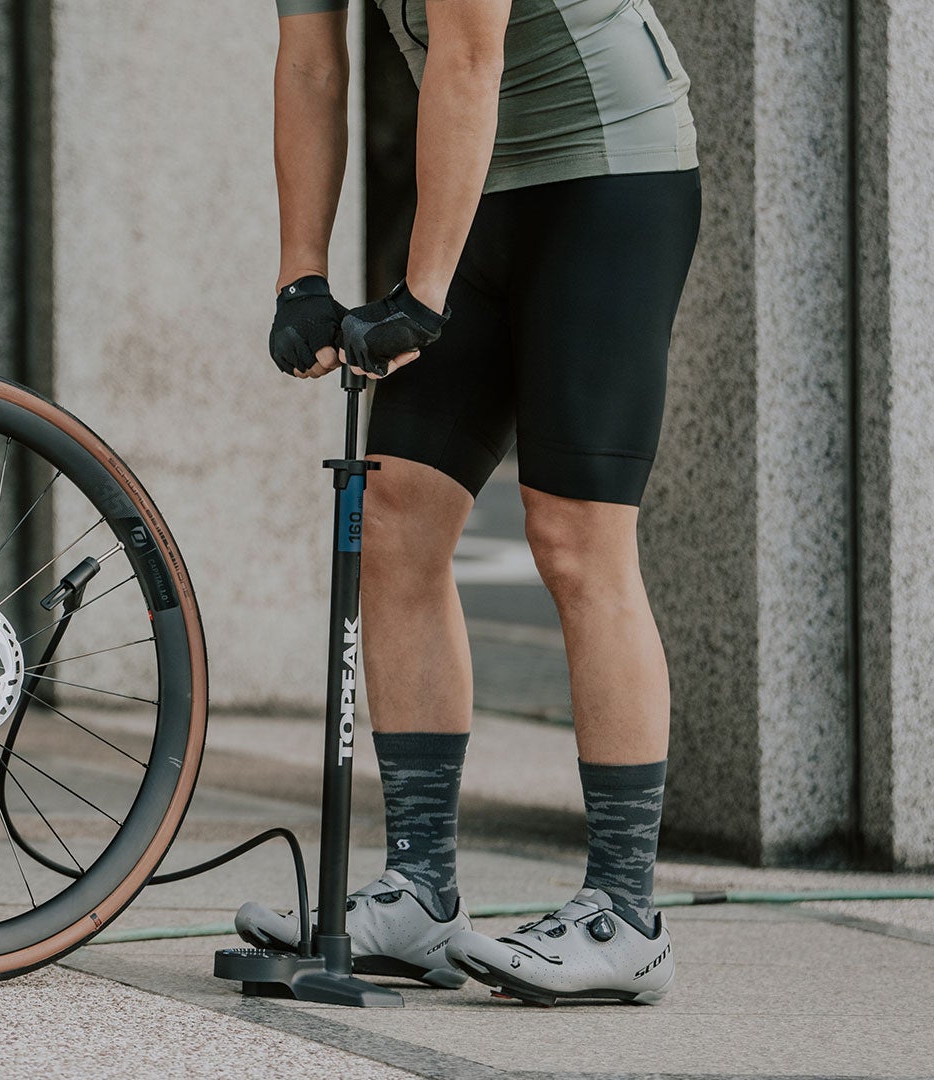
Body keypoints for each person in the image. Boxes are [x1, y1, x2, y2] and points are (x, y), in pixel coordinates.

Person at [237, 0, 701, 1006]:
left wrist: (422, 298)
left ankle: (626, 916)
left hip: (611, 178)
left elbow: (469, 54)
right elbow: (312, 63)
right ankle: (420, 895)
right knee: (399, 511)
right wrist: (298, 276)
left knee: (576, 535)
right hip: (483, 179)